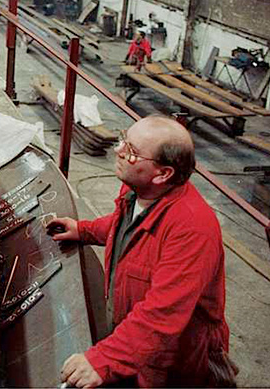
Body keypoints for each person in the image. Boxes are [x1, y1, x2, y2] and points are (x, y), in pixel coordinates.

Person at [48, 115, 232, 388]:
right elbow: (125, 225)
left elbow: (163, 314)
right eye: (124, 140)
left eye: (132, 152)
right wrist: (83, 230)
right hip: (140, 348)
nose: (118, 151)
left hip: (176, 364)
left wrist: (103, 359)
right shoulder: (137, 191)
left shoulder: (192, 228)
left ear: (163, 173)